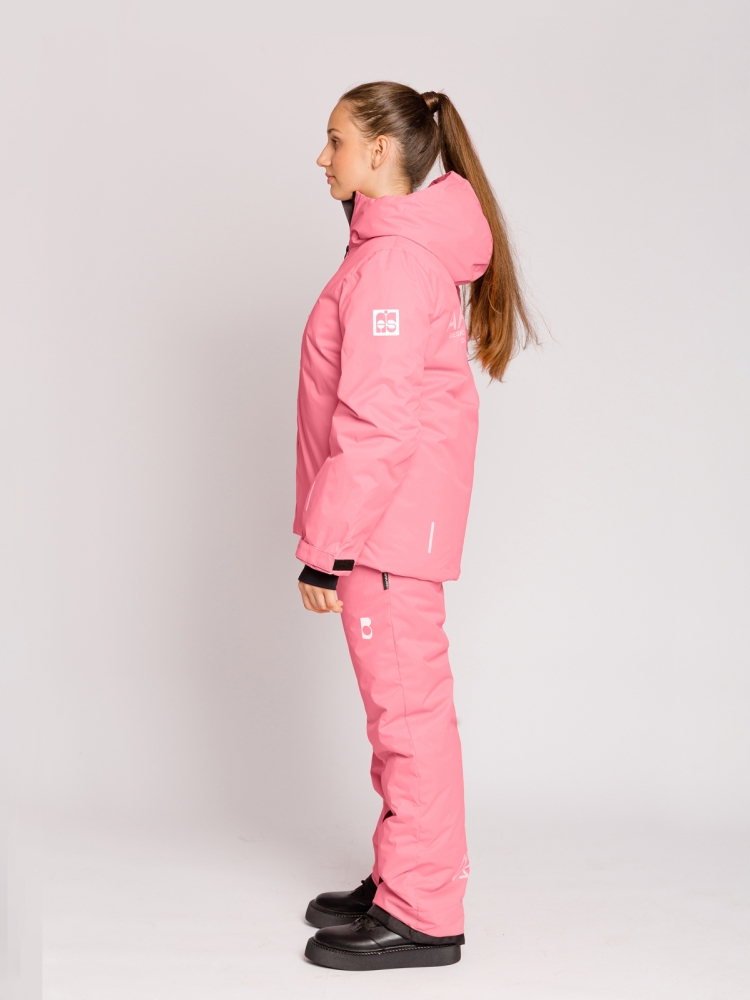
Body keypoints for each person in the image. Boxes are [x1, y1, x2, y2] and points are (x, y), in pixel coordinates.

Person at [294, 81, 535, 972]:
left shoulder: (394, 264)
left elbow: (378, 425)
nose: (322, 158)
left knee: (407, 717)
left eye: (335, 141)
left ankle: (423, 910)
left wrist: (325, 549)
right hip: (390, 531)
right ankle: (405, 875)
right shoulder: (391, 254)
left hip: (383, 535)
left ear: (381, 152)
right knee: (402, 713)